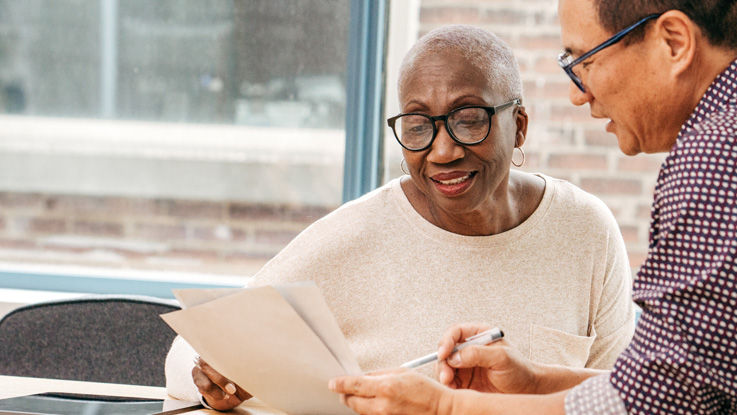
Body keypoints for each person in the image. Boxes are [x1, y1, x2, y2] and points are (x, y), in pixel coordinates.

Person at [165, 25, 636, 411]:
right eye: (418, 125)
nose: (443, 150)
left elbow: (623, 398)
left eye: (469, 118)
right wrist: (216, 380)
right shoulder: (353, 236)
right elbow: (193, 349)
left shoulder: (586, 231)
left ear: (519, 126)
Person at [329, 0, 737, 414]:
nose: (579, 94)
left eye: (586, 61)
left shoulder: (714, 157)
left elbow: (658, 402)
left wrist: (446, 408)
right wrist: (536, 382)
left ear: (674, 42)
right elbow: (683, 381)